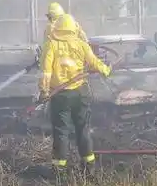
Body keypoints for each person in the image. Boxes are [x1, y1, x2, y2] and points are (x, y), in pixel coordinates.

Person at [39, 14, 111, 177]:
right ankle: (89, 165)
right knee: (83, 129)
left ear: (57, 29)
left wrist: (44, 90)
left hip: (60, 95)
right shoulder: (81, 44)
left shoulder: (51, 45)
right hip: (80, 92)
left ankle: (59, 169)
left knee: (61, 131)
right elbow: (94, 62)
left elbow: (46, 72)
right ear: (73, 28)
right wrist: (106, 70)